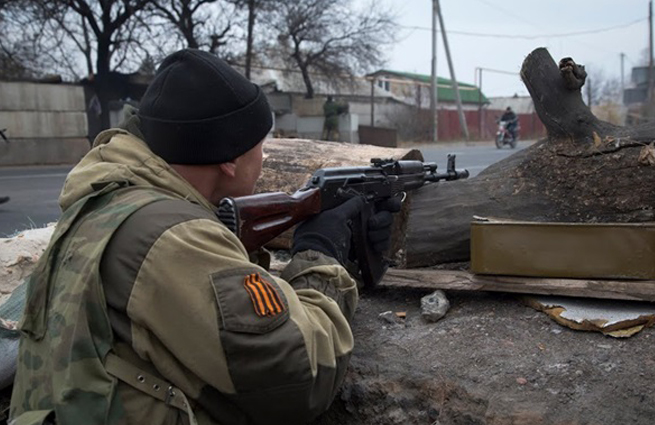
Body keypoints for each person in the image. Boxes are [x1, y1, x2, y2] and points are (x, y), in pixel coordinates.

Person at [10, 49, 399, 424]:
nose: (264, 159)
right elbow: (301, 377)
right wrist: (321, 254)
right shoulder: (173, 239)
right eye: (261, 146)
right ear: (229, 159)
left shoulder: (109, 197)